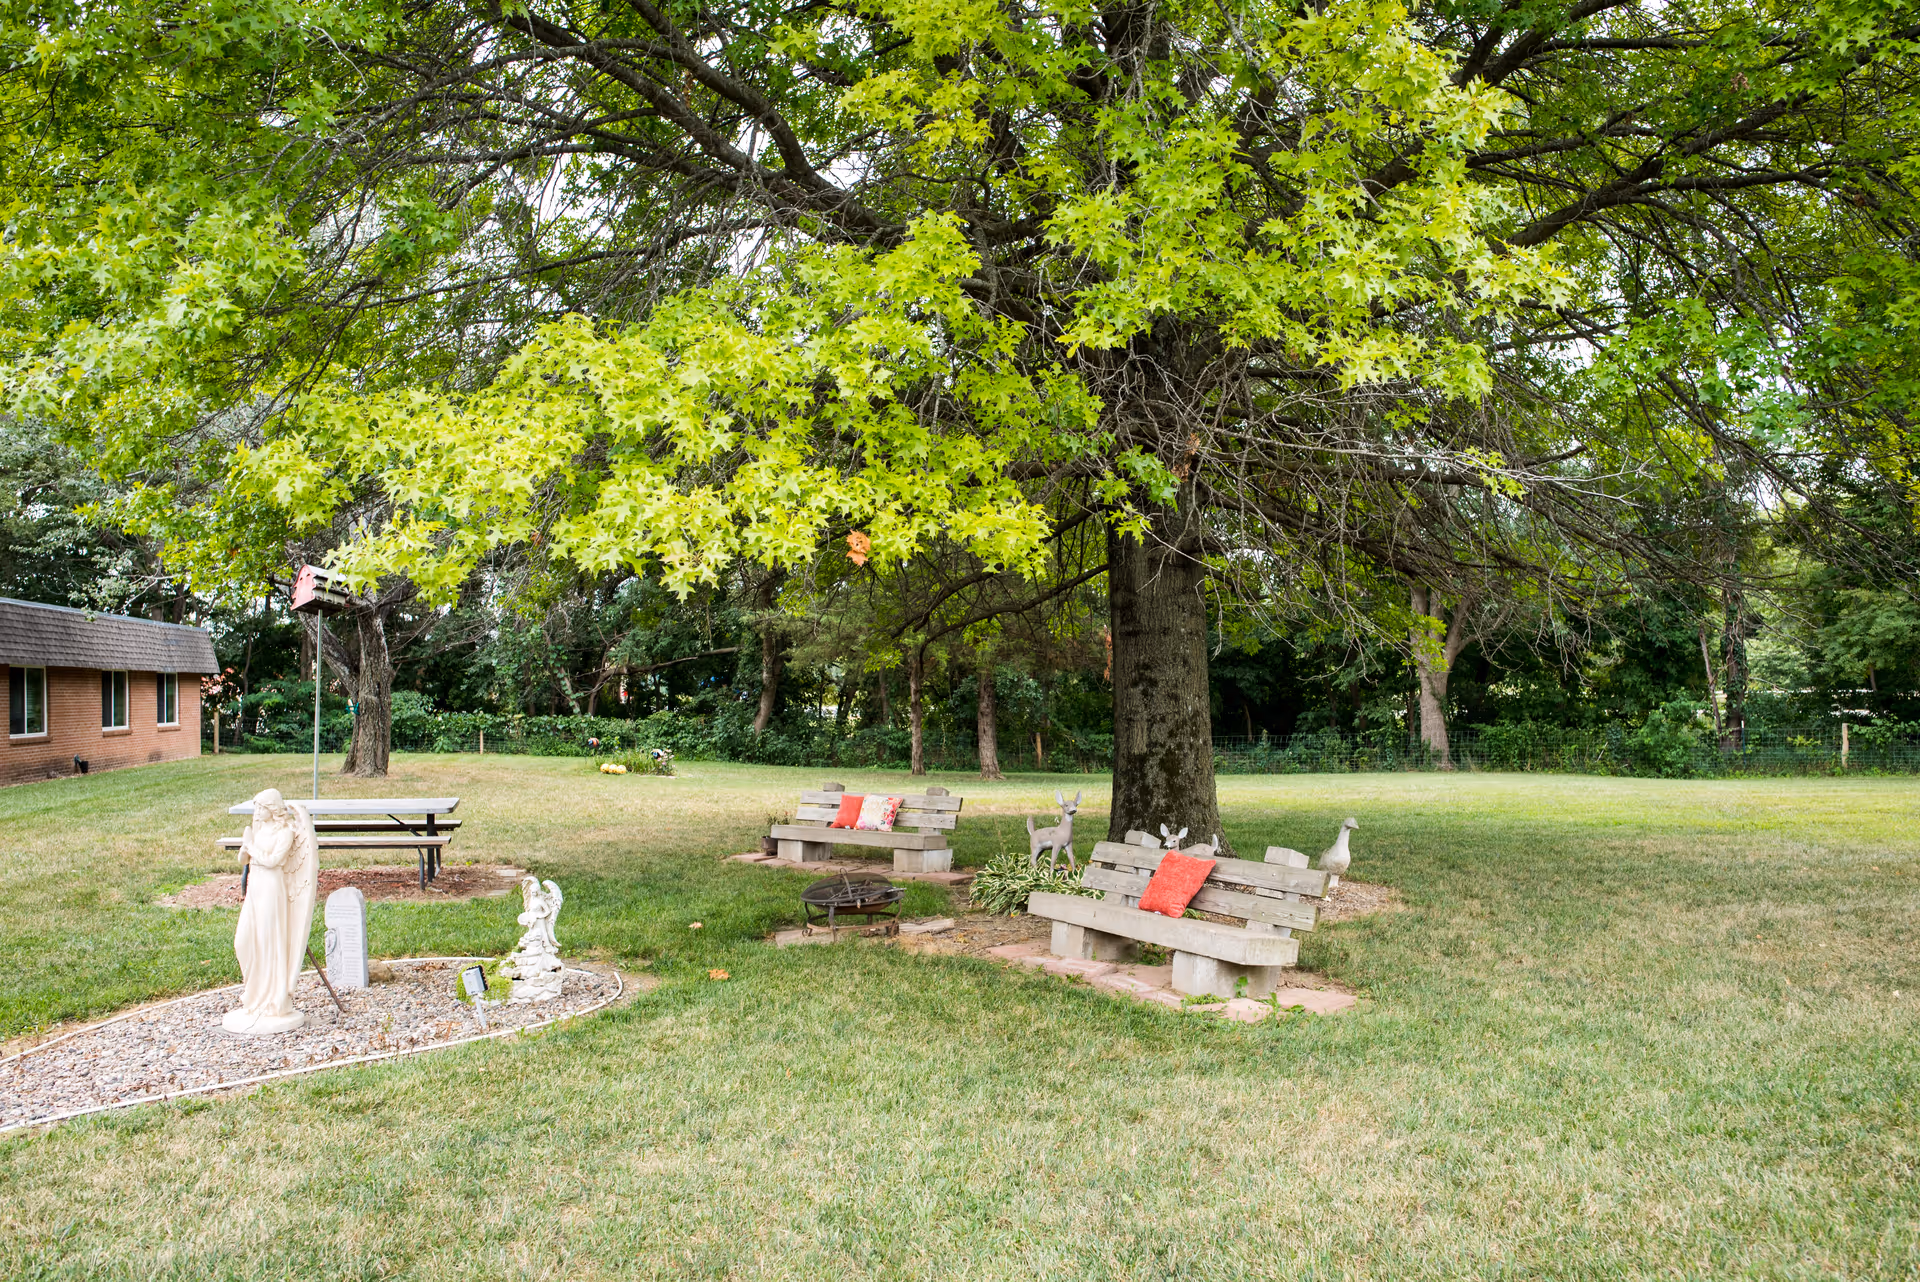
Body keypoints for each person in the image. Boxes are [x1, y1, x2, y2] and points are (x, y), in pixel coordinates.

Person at [222, 789, 319, 1035]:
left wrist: (251, 846)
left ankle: (272, 999)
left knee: (267, 941)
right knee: (243, 941)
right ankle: (254, 994)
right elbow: (244, 860)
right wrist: (246, 847)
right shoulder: (260, 830)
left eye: (260, 807)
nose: (257, 812)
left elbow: (273, 860)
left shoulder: (285, 832)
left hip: (271, 887)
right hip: (255, 886)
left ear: (271, 808)